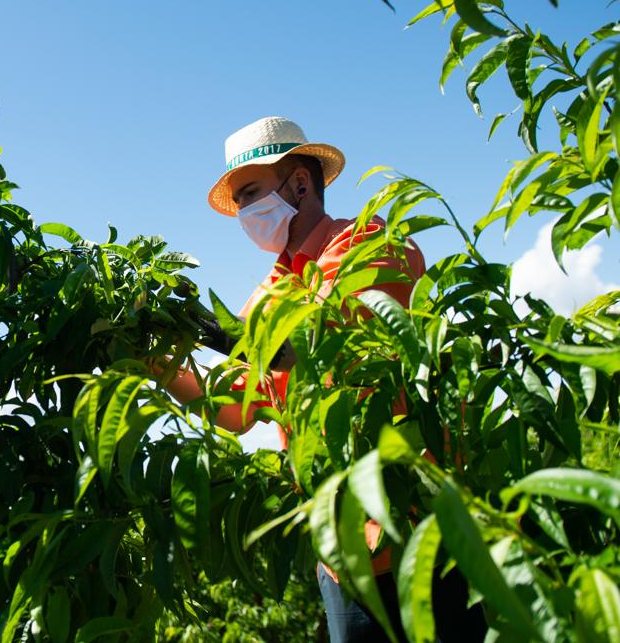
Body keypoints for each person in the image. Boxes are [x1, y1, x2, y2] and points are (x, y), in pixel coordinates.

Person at [164, 118, 484, 641]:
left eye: (250, 193)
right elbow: (236, 412)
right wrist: (154, 364)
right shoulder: (266, 295)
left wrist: (208, 327)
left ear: (300, 183)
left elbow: (312, 341)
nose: (245, 213)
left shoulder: (368, 243)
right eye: (240, 202)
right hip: (343, 551)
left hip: (424, 528)